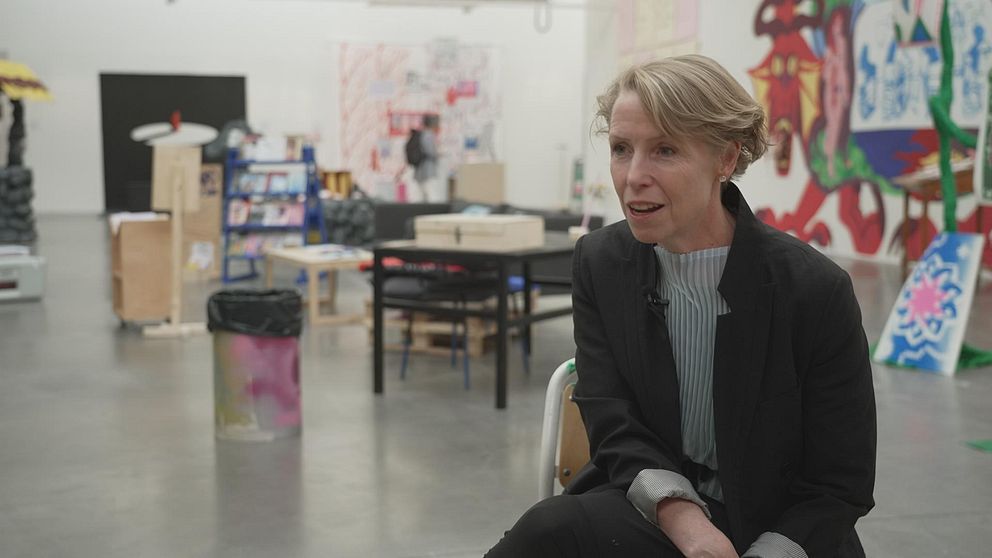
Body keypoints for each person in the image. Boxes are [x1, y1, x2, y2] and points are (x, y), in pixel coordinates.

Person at [486, 55, 876, 558]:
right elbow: (611, 415)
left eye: (665, 150)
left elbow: (840, 480)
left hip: (786, 526)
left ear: (725, 159)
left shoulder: (814, 289)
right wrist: (683, 519)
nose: (633, 176)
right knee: (547, 530)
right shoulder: (601, 263)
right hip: (654, 504)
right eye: (621, 149)